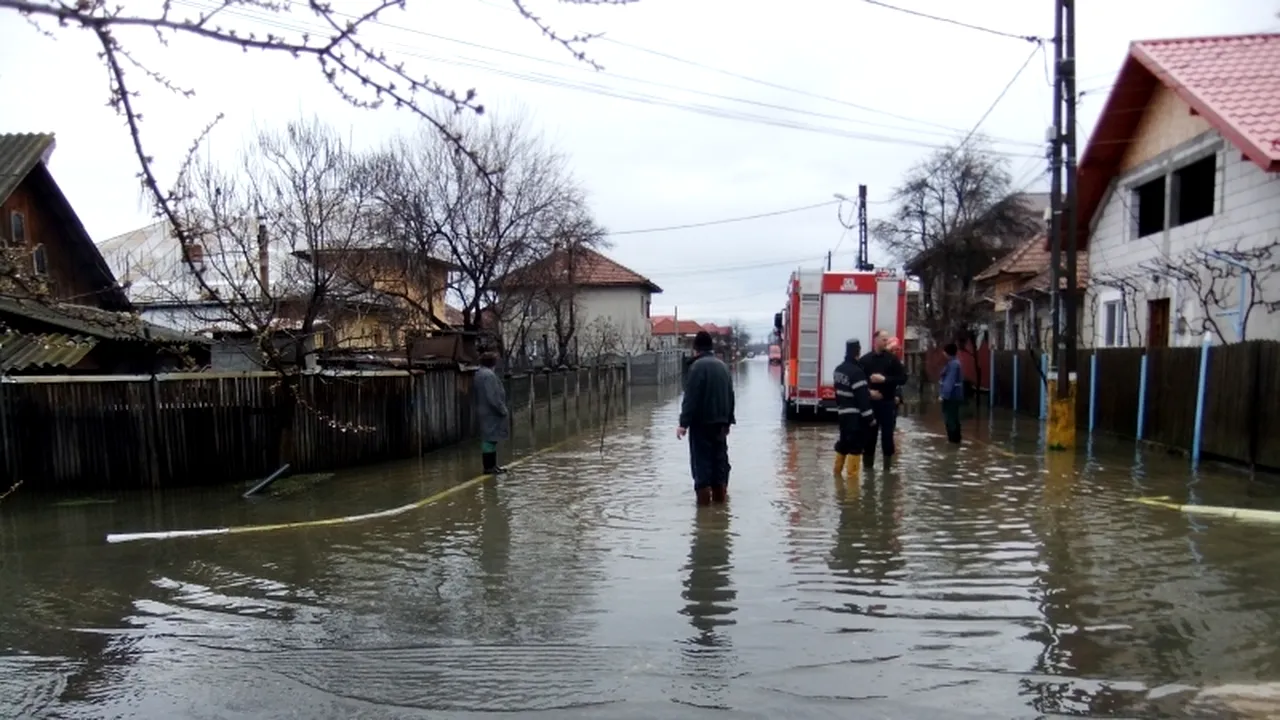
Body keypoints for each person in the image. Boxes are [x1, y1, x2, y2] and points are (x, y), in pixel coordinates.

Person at [677, 330, 736, 505]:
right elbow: (731, 396)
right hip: (721, 425)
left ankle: (703, 511)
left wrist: (683, 424)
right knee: (719, 464)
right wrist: (729, 421)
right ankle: (720, 505)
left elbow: (691, 398)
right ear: (711, 347)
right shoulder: (723, 366)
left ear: (696, 349)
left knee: (701, 465)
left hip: (701, 424)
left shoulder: (696, 367)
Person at [859, 329, 907, 469]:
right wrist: (869, 392)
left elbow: (903, 379)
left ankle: (888, 470)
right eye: (884, 339)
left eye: (887, 339)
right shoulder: (865, 360)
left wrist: (885, 379)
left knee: (887, 437)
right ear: (876, 340)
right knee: (869, 438)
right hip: (871, 405)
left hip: (887, 403)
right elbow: (857, 383)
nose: (886, 342)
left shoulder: (892, 360)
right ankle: (868, 469)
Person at [832, 338, 875, 477]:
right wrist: (871, 419)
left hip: (843, 416)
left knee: (843, 445)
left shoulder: (838, 370)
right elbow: (862, 399)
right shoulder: (857, 372)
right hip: (855, 418)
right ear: (858, 352)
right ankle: (852, 491)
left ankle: (837, 476)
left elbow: (839, 394)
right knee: (855, 448)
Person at [472, 351, 510, 475]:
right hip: (490, 412)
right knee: (489, 439)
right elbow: (492, 396)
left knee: (491, 439)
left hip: (485, 410)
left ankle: (493, 465)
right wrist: (502, 409)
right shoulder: (488, 375)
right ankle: (489, 467)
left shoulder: (480, 373)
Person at [939, 342, 965, 444]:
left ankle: (953, 441)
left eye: (944, 352)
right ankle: (955, 440)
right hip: (953, 396)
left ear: (947, 352)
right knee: (953, 418)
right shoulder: (953, 363)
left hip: (951, 397)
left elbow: (949, 381)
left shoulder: (954, 364)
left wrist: (943, 395)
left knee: (950, 419)